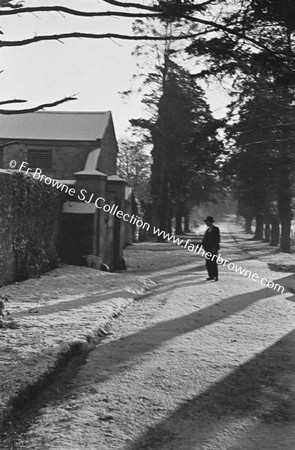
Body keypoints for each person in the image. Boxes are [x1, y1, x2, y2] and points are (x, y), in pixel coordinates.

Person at [201, 216, 220, 281]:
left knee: (214, 262)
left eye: (207, 222)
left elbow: (217, 239)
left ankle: (216, 276)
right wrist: (201, 245)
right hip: (207, 249)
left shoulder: (216, 229)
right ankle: (211, 275)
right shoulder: (207, 230)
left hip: (213, 249)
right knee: (208, 263)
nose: (206, 223)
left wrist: (214, 247)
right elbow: (205, 239)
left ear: (210, 222)